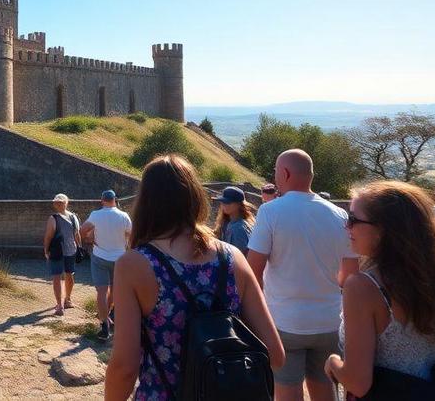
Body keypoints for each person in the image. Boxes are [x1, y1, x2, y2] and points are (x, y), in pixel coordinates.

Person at [104, 155, 284, 400]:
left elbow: (125, 367)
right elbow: (274, 354)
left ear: (145, 202)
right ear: (195, 198)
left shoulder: (134, 264)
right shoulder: (232, 258)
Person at [324, 181, 435, 399]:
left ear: (384, 230)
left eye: (353, 219)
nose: (347, 227)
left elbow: (358, 382)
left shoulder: (363, 287)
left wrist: (333, 364)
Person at [246, 149, 360, 401]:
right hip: (329, 320)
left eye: (276, 172)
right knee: (323, 387)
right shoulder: (339, 215)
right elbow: (350, 277)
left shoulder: (270, 212)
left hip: (285, 320)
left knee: (286, 390)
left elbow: (252, 270)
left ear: (285, 173)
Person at [81, 189, 132, 339]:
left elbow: (82, 230)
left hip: (100, 256)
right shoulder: (124, 216)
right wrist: (126, 243)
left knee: (102, 291)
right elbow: (132, 234)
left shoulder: (95, 215)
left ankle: (104, 325)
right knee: (115, 289)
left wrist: (90, 239)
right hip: (120, 258)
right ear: (115, 200)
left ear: (102, 200)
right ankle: (109, 314)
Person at [43, 193, 82, 316]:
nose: (58, 204)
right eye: (57, 202)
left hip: (57, 251)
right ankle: (68, 300)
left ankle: (60, 305)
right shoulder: (74, 217)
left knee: (57, 277)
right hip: (71, 250)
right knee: (69, 275)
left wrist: (46, 250)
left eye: (59, 202)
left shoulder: (53, 218)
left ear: (65, 203)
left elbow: (48, 236)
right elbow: (77, 234)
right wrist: (79, 247)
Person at [214, 186, 256, 256]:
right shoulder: (226, 222)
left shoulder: (238, 228)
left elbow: (238, 257)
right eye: (223, 201)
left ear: (239, 204)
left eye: (227, 202)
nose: (223, 205)